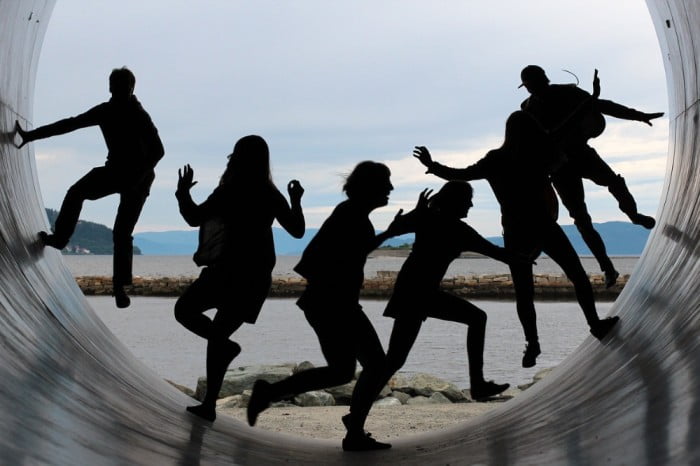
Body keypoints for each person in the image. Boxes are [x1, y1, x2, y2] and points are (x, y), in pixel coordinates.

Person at [414, 109, 619, 369]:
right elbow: (558, 146)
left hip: (515, 231)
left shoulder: (495, 159)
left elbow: (462, 174)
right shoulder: (539, 156)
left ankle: (532, 343)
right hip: (544, 225)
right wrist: (580, 110)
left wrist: (432, 166)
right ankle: (595, 324)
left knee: (524, 292)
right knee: (577, 274)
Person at [247, 161, 404, 451]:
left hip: (326, 303)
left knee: (342, 371)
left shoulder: (352, 213)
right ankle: (354, 429)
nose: (391, 189)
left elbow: (351, 250)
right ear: (370, 186)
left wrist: (389, 233)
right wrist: (389, 233)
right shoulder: (350, 214)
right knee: (376, 365)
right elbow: (339, 253)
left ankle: (270, 393)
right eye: (386, 183)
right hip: (334, 304)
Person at [347, 181, 517, 439]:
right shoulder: (457, 229)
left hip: (414, 292)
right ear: (456, 201)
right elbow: (502, 254)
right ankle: (478, 385)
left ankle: (355, 418)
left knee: (394, 360)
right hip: (419, 293)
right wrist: (527, 253)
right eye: (468, 200)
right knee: (474, 319)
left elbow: (394, 230)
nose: (471, 205)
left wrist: (415, 214)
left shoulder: (431, 219)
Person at [174, 135, 305, 423]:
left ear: (237, 158)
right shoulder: (269, 193)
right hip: (254, 276)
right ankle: (211, 396)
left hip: (226, 270)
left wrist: (183, 193)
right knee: (218, 335)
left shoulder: (228, 191)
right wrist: (296, 201)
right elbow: (297, 230)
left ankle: (210, 403)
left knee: (185, 311)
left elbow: (195, 218)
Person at [14, 67, 164, 308]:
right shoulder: (105, 111)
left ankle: (119, 288)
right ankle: (59, 239)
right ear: (110, 87)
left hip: (139, 179)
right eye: (114, 86)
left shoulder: (138, 115)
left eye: (120, 86)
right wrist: (31, 136)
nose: (116, 90)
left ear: (130, 89)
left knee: (121, 231)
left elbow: (159, 150)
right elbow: (69, 125)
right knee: (76, 193)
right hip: (115, 172)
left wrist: (139, 174)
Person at [519, 65, 663, 288]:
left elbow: (602, 106)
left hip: (579, 154)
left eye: (531, 84)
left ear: (542, 80)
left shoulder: (567, 93)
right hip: (559, 168)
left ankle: (633, 216)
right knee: (582, 219)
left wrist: (637, 115)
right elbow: (531, 145)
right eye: (528, 86)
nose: (531, 89)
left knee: (613, 184)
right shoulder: (527, 109)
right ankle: (607, 267)